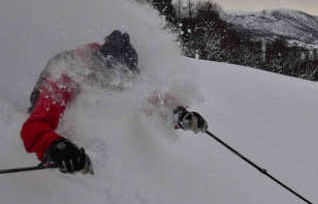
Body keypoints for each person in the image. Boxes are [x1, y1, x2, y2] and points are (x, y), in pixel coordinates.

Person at [20, 30, 208, 175]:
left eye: (124, 77)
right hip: (46, 99)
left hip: (86, 95)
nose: (117, 84)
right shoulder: (66, 75)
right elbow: (35, 124)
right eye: (111, 78)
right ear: (98, 66)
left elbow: (146, 97)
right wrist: (56, 147)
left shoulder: (119, 73)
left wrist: (178, 115)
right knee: (65, 120)